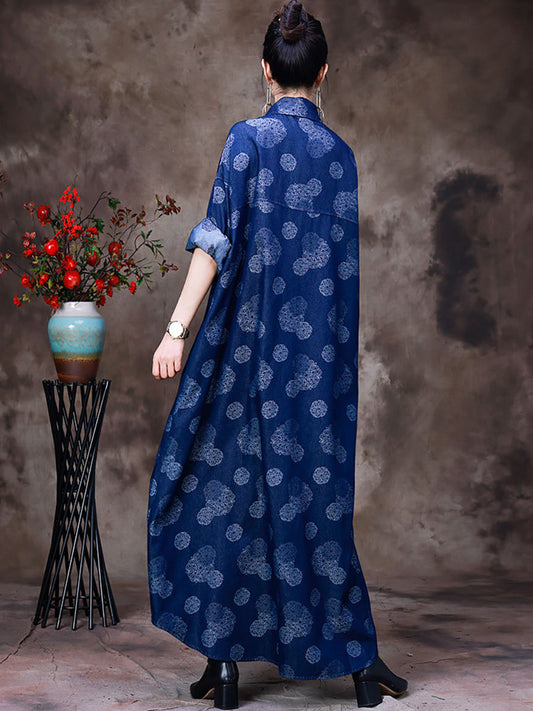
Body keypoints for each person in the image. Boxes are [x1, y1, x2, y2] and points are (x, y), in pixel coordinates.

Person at [148, 1, 408, 708]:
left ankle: (227, 660)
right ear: (323, 73)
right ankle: (355, 661)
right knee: (315, 503)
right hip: (318, 366)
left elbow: (214, 239)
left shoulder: (247, 140)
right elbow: (338, 276)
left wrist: (176, 331)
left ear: (266, 69)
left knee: (219, 492)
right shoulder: (342, 158)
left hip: (242, 354)